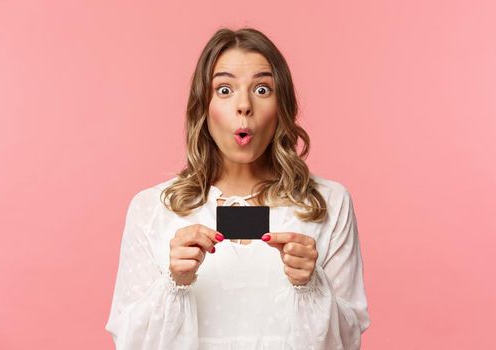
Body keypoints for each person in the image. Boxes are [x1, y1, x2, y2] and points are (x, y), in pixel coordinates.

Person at [105, 27, 371, 349]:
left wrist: (311, 284)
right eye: (225, 89)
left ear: (281, 106)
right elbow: (130, 343)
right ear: (203, 106)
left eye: (261, 89)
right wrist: (174, 283)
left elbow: (348, 341)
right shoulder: (152, 209)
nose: (244, 105)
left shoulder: (328, 203)